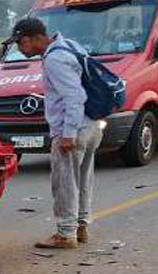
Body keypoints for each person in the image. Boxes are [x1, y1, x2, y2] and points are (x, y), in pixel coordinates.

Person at [6, 17, 104, 249]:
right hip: (91, 124)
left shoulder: (54, 59)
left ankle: (65, 234)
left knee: (64, 182)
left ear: (30, 39)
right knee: (83, 178)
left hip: (73, 129)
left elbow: (74, 96)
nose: (20, 49)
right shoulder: (70, 45)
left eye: (20, 44)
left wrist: (68, 133)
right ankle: (81, 226)